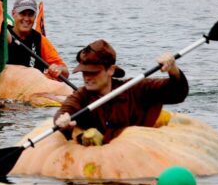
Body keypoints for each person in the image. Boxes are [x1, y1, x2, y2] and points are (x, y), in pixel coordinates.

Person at [53, 39, 188, 146]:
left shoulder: (133, 88)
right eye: (84, 72)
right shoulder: (81, 96)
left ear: (110, 70)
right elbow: (66, 110)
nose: (87, 77)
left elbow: (177, 93)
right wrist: (62, 120)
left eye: (93, 72)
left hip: (137, 153)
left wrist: (173, 70)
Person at [7, 0, 69, 79]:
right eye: (22, 14)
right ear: (13, 13)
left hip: (32, 88)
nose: (26, 19)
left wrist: (59, 69)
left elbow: (66, 73)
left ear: (35, 16)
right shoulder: (3, 34)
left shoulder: (40, 40)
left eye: (30, 14)